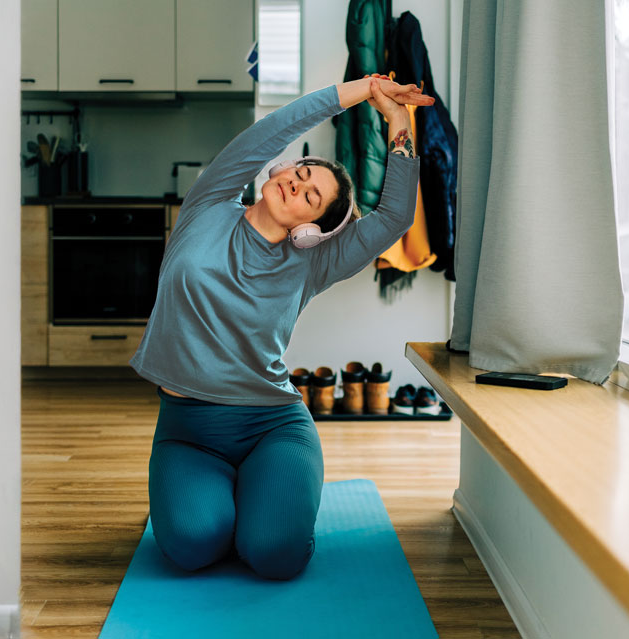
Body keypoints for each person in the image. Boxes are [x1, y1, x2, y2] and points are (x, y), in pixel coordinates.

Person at [127, 76, 435, 580]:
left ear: (311, 230)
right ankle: (234, 499)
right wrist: (360, 89)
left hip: (271, 426)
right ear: (285, 167)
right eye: (303, 172)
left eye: (312, 198)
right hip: (187, 432)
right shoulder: (208, 205)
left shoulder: (313, 263)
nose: (299, 184)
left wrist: (399, 122)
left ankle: (264, 498)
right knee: (190, 548)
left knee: (275, 555)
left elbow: (395, 216)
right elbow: (272, 130)